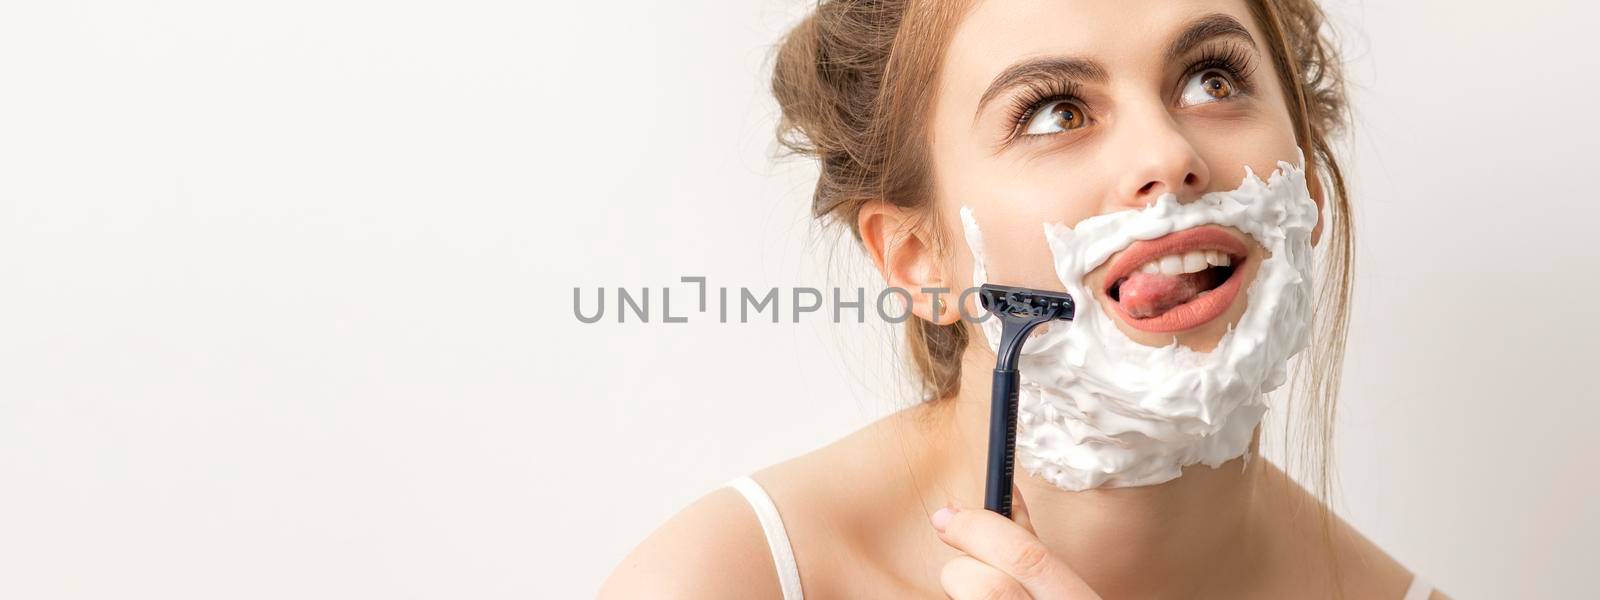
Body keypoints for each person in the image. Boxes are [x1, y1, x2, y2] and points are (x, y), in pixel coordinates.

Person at [601, 0, 1447, 597]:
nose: (1169, 151)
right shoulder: (721, 583)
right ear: (916, 260)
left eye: (1213, 81)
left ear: (1308, 194)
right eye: (1055, 112)